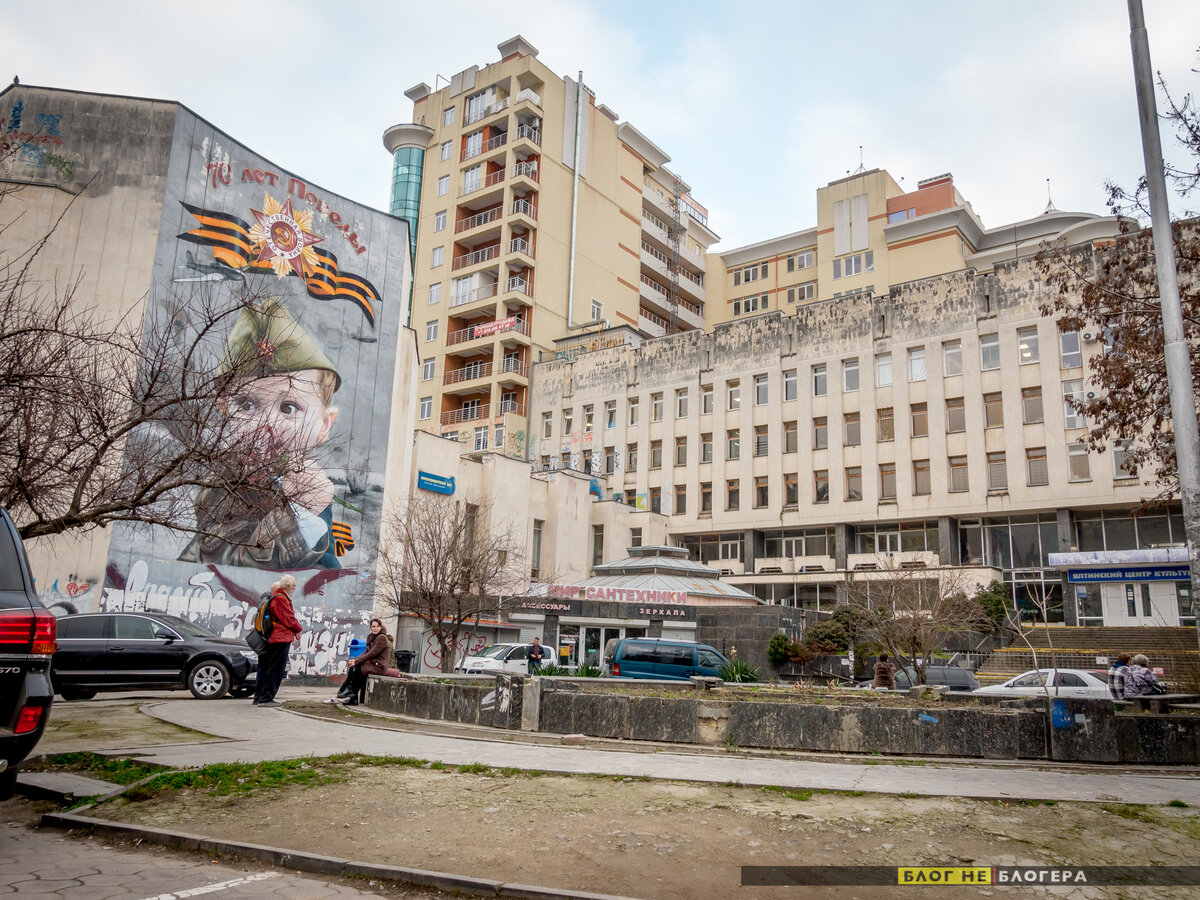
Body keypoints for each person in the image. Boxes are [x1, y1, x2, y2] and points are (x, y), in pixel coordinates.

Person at [179, 299, 349, 570]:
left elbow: (324, 563)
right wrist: (300, 511)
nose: (267, 424)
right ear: (225, 412)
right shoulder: (223, 485)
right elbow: (230, 561)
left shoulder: (309, 480)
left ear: (324, 425)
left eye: (289, 408)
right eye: (246, 405)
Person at [254, 574, 302, 707]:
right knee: (276, 669)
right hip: (280, 638)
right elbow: (288, 618)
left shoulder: (277, 597)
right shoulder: (280, 599)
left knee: (268, 668)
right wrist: (298, 628)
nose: (295, 588)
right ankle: (266, 698)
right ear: (287, 586)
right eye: (293, 586)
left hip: (277, 637)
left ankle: (261, 697)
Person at [332, 618, 392, 706]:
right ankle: (351, 696)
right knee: (354, 668)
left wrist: (356, 662)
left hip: (379, 667)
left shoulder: (381, 638)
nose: (375, 628)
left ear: (380, 627)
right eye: (373, 626)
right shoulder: (371, 638)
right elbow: (365, 653)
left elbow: (372, 654)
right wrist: (354, 660)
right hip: (372, 665)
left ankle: (350, 693)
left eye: (377, 626)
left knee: (356, 669)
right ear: (370, 628)